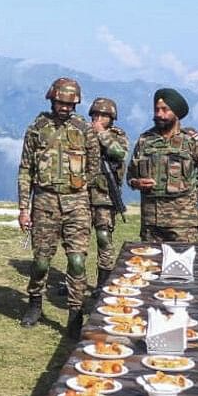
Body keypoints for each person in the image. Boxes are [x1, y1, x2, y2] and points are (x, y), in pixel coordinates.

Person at [16, 78, 100, 337]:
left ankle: (75, 313)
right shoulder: (37, 129)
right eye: (60, 102)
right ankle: (35, 303)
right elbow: (25, 170)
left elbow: (94, 168)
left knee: (76, 261)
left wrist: (81, 188)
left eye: (69, 104)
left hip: (76, 203)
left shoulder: (84, 130)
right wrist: (23, 208)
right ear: (52, 100)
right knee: (41, 261)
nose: (64, 108)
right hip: (45, 202)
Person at [127, 88, 198, 243]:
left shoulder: (192, 141)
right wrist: (136, 183)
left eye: (165, 110)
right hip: (151, 222)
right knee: (151, 264)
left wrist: (188, 198)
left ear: (176, 113)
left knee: (184, 264)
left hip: (182, 224)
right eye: (156, 110)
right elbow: (130, 175)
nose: (159, 114)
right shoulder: (145, 140)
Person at [87, 97, 129, 292]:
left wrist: (102, 134)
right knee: (76, 240)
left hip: (105, 197)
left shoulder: (117, 135)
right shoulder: (83, 132)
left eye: (103, 115)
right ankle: (73, 280)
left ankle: (102, 283)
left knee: (104, 239)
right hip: (82, 196)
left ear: (112, 118)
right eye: (95, 114)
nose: (98, 118)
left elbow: (119, 153)